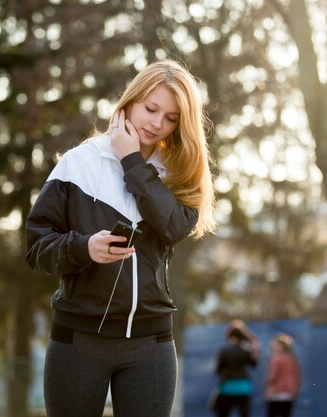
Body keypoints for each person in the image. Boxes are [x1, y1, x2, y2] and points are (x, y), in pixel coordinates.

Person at [25, 59, 216, 417]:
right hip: (78, 341)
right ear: (131, 99)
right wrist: (84, 248)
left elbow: (176, 227)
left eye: (171, 118)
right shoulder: (78, 163)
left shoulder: (176, 173)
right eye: (151, 108)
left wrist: (131, 160)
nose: (157, 123)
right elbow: (37, 247)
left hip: (151, 345)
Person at [213, 320, 260, 417]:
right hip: (244, 387)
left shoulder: (224, 350)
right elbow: (254, 364)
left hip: (227, 387)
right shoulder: (246, 350)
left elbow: (218, 370)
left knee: (223, 414)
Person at [264, 333, 302, 417]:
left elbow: (273, 376)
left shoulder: (276, 358)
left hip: (276, 394)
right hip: (289, 395)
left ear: (281, 346)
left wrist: (267, 383)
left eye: (275, 345)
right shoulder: (292, 359)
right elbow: (297, 377)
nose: (273, 347)